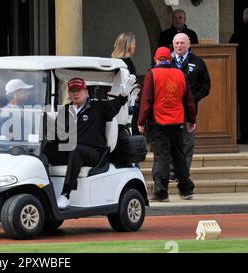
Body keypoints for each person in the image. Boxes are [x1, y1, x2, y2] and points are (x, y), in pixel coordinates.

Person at [44, 77, 133, 209]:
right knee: (46, 149)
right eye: (72, 91)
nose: (75, 94)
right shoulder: (65, 111)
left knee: (76, 149)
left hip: (94, 154)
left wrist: (123, 96)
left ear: (86, 92)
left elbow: (113, 107)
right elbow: (58, 136)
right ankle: (43, 191)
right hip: (72, 152)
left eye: (78, 90)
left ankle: (65, 194)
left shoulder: (98, 107)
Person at [138, 47, 196, 202]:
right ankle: (186, 189)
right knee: (179, 155)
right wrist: (191, 120)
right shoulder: (180, 74)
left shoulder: (152, 75)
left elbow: (146, 101)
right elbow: (188, 100)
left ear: (156, 59)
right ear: (170, 59)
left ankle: (161, 191)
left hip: (159, 122)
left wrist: (141, 122)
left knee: (161, 156)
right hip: (178, 121)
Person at [170, 33, 211, 181]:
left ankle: (183, 174)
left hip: (189, 111)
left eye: (182, 43)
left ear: (188, 44)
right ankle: (172, 171)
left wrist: (191, 99)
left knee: (187, 143)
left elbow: (205, 87)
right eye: (176, 43)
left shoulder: (198, 62)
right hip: (169, 111)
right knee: (172, 142)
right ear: (173, 45)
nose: (179, 46)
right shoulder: (167, 61)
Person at [111, 32, 140, 136]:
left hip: (130, 102)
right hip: (122, 104)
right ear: (127, 45)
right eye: (134, 44)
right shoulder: (120, 63)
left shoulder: (127, 61)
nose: (135, 46)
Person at [230, 8, 248, 144]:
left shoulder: (238, 34)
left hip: (242, 75)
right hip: (242, 76)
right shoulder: (238, 34)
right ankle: (245, 135)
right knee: (243, 106)